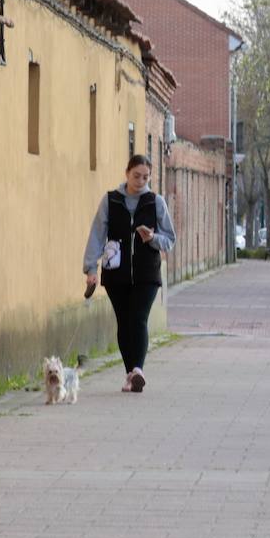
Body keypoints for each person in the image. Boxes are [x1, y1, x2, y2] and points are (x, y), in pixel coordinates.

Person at [83, 154, 176, 393]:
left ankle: (138, 370)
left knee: (139, 319)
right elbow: (97, 235)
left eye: (146, 177)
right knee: (124, 322)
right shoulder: (111, 200)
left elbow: (170, 239)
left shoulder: (155, 202)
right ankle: (129, 374)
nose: (141, 181)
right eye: (136, 176)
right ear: (127, 173)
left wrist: (153, 238)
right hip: (116, 273)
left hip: (147, 273)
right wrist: (91, 269)